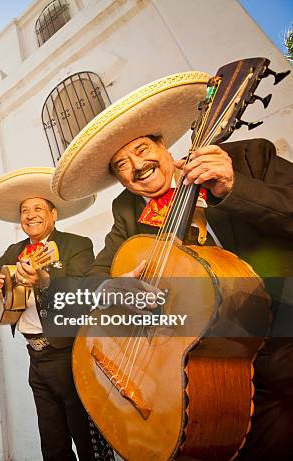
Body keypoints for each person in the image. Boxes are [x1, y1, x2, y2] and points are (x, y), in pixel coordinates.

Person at [51, 71, 293, 459]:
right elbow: (94, 276)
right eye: (121, 165)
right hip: (198, 372)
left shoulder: (247, 158)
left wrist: (235, 189)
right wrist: (109, 291)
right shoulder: (129, 211)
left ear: (165, 145)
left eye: (142, 149)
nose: (137, 165)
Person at [0, 167, 114, 461]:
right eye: (24, 210)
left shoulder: (77, 245)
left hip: (70, 352)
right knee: (52, 442)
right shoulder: (14, 250)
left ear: (54, 215)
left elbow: (82, 293)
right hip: (35, 355)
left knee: (87, 438)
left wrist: (45, 281)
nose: (30, 215)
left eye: (38, 208)